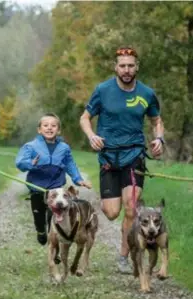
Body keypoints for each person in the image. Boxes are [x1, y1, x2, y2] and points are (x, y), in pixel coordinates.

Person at [80, 46, 165, 274]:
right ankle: (109, 207)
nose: (126, 70)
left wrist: (159, 139)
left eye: (130, 66)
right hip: (109, 156)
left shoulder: (146, 93)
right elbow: (85, 118)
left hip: (134, 155)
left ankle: (123, 257)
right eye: (122, 66)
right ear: (115, 67)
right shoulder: (103, 90)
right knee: (111, 212)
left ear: (137, 67)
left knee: (131, 209)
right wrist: (92, 135)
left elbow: (156, 120)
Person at [15, 113, 91, 246]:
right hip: (37, 189)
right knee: (39, 217)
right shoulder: (31, 146)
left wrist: (78, 179)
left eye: (53, 125)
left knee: (55, 216)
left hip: (56, 189)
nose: (49, 128)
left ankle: (54, 241)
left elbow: (70, 164)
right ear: (39, 129)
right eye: (45, 125)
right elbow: (20, 163)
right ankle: (41, 232)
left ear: (58, 130)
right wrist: (30, 164)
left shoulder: (64, 148)